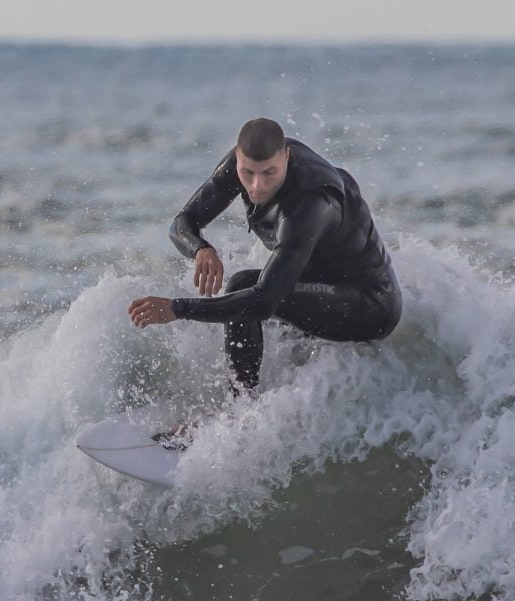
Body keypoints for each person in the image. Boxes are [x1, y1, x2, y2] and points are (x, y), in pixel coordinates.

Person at [128, 117, 402, 396]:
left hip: (368, 304)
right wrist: (201, 248)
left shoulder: (312, 203)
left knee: (243, 289)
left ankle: (240, 413)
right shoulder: (241, 166)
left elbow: (264, 302)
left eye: (269, 173)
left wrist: (178, 309)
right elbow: (182, 222)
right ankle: (254, 403)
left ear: (286, 156)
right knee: (243, 295)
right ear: (237, 157)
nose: (257, 186)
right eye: (248, 173)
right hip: (313, 284)